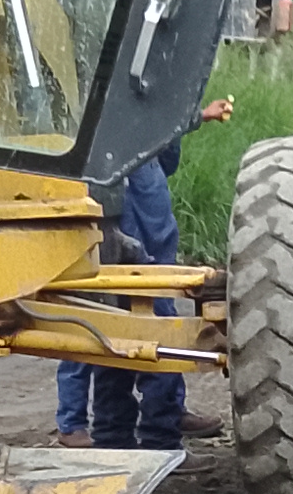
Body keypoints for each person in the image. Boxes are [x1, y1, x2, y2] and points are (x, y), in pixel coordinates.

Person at [57, 96, 234, 451]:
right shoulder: (111, 148)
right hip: (130, 261)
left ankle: (132, 435)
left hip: (144, 258)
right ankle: (147, 436)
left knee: (119, 339)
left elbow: (166, 140)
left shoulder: (139, 150)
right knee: (130, 336)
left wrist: (198, 116)